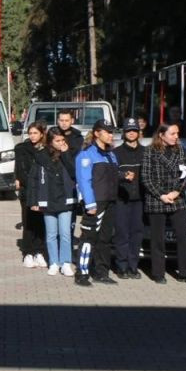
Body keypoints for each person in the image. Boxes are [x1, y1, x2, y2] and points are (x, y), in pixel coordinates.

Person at [141, 123, 186, 284]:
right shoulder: (149, 151)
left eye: (178, 133)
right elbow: (146, 177)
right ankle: (158, 273)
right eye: (173, 133)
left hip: (177, 198)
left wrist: (175, 192)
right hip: (156, 198)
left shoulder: (179, 149)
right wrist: (161, 195)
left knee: (183, 236)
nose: (176, 136)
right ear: (161, 135)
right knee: (157, 239)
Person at [26, 129, 78, 277]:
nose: (61, 143)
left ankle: (66, 263)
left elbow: (74, 172)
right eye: (58, 141)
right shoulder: (41, 156)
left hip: (65, 199)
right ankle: (54, 262)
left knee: (65, 233)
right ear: (50, 142)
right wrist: (33, 201)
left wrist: (66, 153)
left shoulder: (69, 154)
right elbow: (34, 179)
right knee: (51, 234)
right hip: (48, 199)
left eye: (63, 140)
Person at [74, 120, 120, 286]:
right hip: (96, 203)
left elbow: (111, 177)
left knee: (105, 239)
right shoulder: (86, 154)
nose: (110, 135)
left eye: (111, 132)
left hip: (110, 202)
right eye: (107, 132)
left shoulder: (111, 154)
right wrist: (90, 204)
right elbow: (84, 181)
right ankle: (82, 274)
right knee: (88, 238)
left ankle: (101, 272)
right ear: (96, 133)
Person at [111, 118, 146, 279]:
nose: (131, 133)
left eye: (134, 130)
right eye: (128, 130)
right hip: (121, 199)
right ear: (124, 133)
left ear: (138, 133)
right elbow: (110, 175)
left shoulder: (146, 152)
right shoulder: (116, 153)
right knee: (122, 234)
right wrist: (122, 176)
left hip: (139, 199)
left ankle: (133, 266)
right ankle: (121, 266)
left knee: (137, 234)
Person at [15, 122, 48, 269]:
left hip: (43, 191)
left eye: (36, 133)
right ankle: (28, 253)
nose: (33, 136)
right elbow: (20, 170)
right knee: (28, 222)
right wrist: (28, 184)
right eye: (31, 133)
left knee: (41, 222)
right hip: (27, 190)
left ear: (42, 134)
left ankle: (39, 251)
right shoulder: (22, 149)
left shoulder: (47, 149)